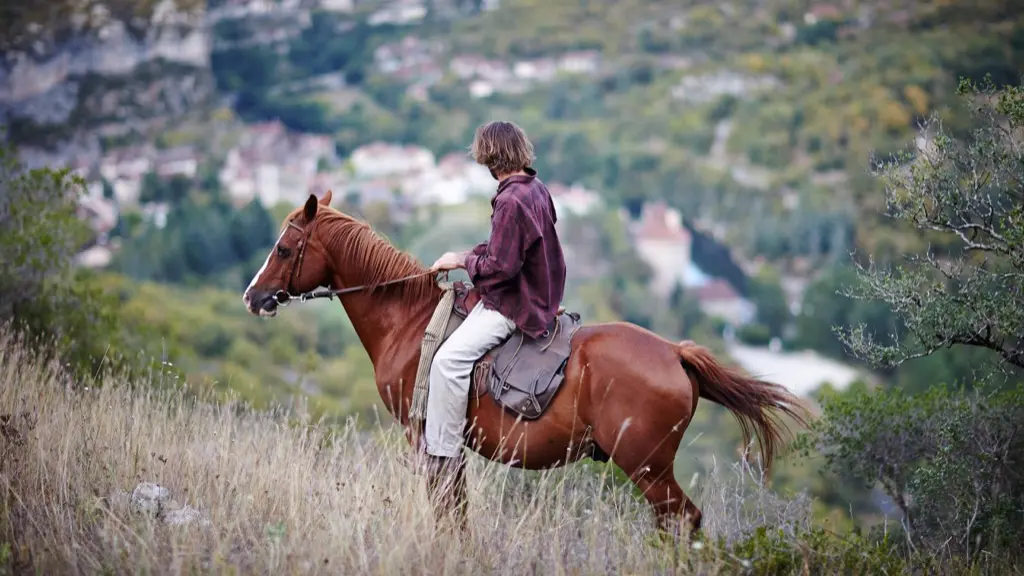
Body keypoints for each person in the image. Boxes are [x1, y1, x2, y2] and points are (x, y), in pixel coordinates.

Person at [423, 120, 567, 481]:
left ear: (490, 157)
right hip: (544, 292)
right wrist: (464, 255)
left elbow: (501, 267)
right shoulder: (536, 187)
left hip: (517, 303)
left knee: (447, 361)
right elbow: (512, 248)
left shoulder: (510, 199)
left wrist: (463, 262)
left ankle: (443, 455)